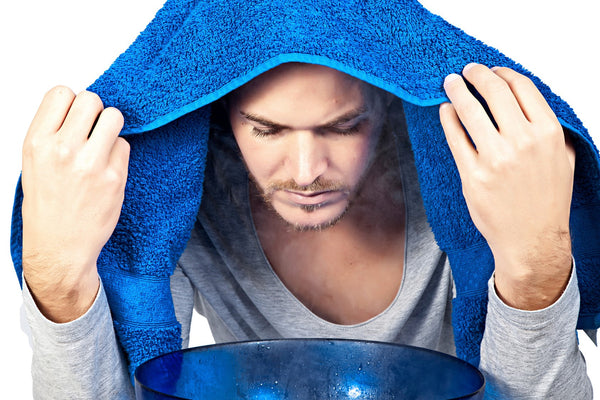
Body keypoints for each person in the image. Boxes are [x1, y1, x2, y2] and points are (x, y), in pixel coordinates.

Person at [13, 2, 597, 399]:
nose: (305, 173)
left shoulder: (463, 177)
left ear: (391, 107)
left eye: (343, 127)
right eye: (266, 130)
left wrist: (535, 263)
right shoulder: (171, 198)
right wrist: (57, 276)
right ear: (220, 114)